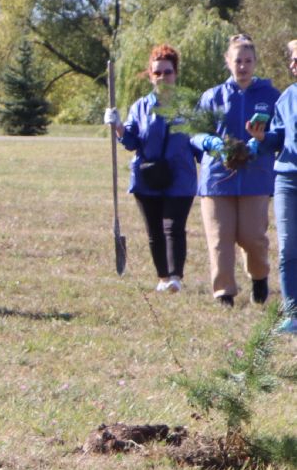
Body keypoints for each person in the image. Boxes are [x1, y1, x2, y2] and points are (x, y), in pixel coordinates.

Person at [190, 34, 279, 308]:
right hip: (218, 178)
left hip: (256, 176)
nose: (243, 66)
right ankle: (224, 293)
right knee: (220, 238)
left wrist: (257, 144)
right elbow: (194, 131)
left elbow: (279, 132)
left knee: (253, 236)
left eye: (248, 61)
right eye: (237, 61)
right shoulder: (212, 96)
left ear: (255, 63)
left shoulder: (271, 95)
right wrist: (210, 142)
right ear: (228, 62)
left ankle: (259, 276)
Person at [104, 45, 199, 292]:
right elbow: (131, 141)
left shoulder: (189, 107)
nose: (162, 78)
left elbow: (200, 140)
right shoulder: (140, 107)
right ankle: (162, 278)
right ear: (150, 75)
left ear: (176, 74)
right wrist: (118, 127)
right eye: (157, 73)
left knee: (173, 227)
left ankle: (175, 276)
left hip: (180, 177)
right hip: (147, 177)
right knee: (155, 230)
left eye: (167, 72)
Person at [247, 38, 297, 334]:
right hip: (287, 180)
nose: (293, 64)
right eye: (292, 59)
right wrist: (262, 137)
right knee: (288, 247)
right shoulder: (286, 98)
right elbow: (278, 138)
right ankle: (292, 314)